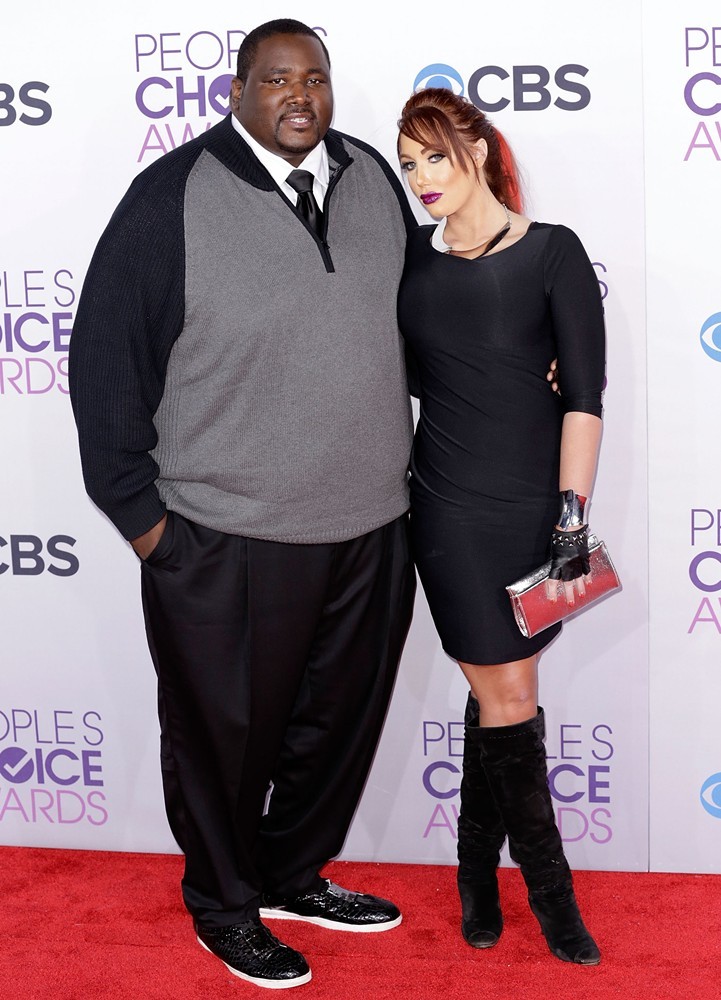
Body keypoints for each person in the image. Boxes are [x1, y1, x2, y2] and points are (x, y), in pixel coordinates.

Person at [69, 19, 419, 990]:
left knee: (333, 727)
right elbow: (104, 361)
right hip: (221, 537)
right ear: (236, 89)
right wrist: (145, 521)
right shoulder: (170, 197)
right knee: (222, 740)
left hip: (368, 529)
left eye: (314, 78)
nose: (299, 97)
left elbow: (413, 320)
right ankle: (225, 906)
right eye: (276, 79)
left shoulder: (367, 177)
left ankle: (290, 874)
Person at [396, 88, 606, 966]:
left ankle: (477, 877)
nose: (420, 181)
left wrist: (570, 518)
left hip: (532, 509)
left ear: (477, 150)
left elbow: (585, 401)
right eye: (408, 166)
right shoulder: (406, 256)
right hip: (443, 506)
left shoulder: (553, 253)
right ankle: (552, 902)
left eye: (433, 157)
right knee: (504, 696)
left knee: (499, 699)